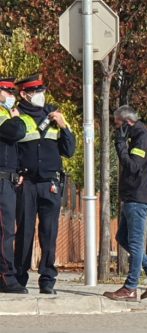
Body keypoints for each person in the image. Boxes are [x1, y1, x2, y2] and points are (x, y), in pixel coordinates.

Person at [14, 74, 76, 294]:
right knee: (24, 232)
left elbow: (69, 150)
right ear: (24, 94)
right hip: (26, 183)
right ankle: (19, 278)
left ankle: (48, 279)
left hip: (50, 183)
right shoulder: (17, 116)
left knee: (49, 233)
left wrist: (64, 126)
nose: (41, 96)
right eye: (36, 92)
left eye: (42, 91)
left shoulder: (53, 115)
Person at [104, 105, 147, 302]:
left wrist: (121, 145)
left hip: (138, 198)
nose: (116, 129)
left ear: (127, 123)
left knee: (134, 242)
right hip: (133, 196)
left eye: (117, 125)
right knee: (123, 237)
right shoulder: (139, 136)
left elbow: (132, 166)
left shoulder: (142, 138)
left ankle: (130, 287)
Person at [0, 78, 27, 294]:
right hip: (1, 181)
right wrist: (18, 119)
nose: (11, 97)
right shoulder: (3, 115)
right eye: (7, 92)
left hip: (7, 179)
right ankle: (6, 277)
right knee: (5, 231)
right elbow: (16, 132)